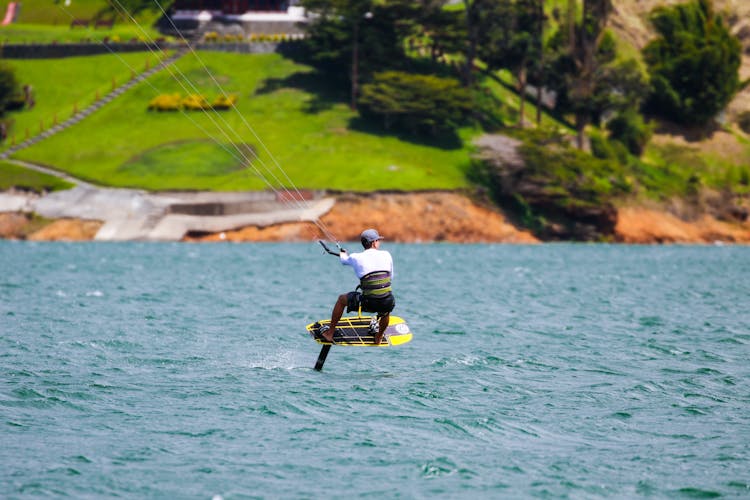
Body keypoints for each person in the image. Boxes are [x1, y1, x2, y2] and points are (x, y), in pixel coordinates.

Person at [321, 228, 395, 344]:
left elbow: (344, 260)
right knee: (385, 306)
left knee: (341, 300)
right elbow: (391, 278)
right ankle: (379, 337)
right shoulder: (387, 255)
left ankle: (330, 333)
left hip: (368, 302)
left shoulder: (356, 257)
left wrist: (343, 254)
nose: (379, 243)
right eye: (378, 240)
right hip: (387, 301)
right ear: (374, 243)